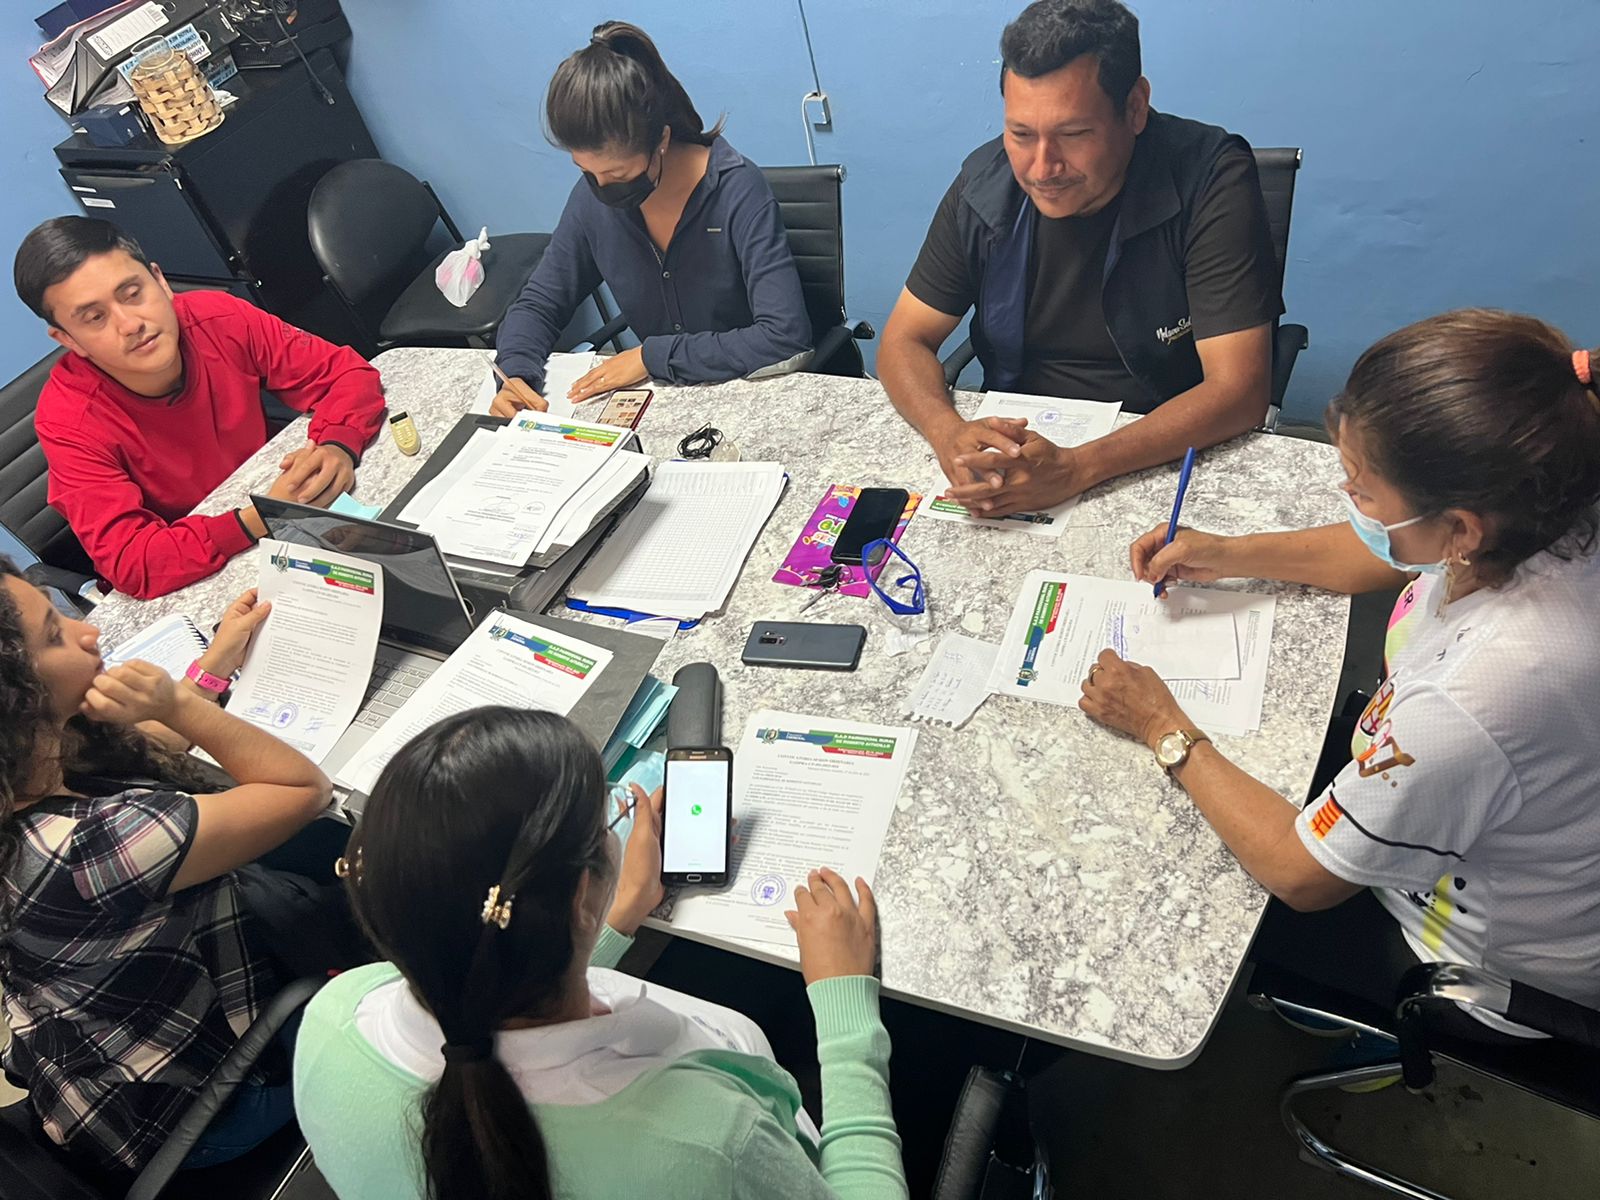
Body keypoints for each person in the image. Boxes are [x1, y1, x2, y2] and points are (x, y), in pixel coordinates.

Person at [1078, 310, 1600, 1037]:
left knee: (1155, 900)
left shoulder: (1477, 693)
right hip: (1499, 824)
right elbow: (1386, 552)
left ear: (1461, 527)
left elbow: (1301, 875)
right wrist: (1225, 553)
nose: (1347, 496)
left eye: (1362, 489)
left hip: (1465, 962)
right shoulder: (1551, 499)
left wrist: (1161, 725)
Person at [294, 706, 908, 1200]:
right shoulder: (710, 1145)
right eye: (606, 823)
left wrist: (612, 917)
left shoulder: (334, 1015)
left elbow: (485, 978)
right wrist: (844, 1005)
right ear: (581, 891)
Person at [879, 0, 1282, 519]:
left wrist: (1077, 468)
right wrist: (948, 433)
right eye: (1021, 134)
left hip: (1160, 447)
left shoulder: (1210, 179)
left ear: (1135, 108)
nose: (1042, 167)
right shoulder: (984, 188)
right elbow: (904, 340)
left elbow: (1239, 390)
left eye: (1073, 135)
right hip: (1020, 447)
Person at [0, 560, 335, 1172]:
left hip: (93, 1078)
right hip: (200, 1113)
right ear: (16, 701)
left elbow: (141, 744)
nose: (87, 632)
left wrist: (211, 669)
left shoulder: (21, 772)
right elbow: (304, 790)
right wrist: (181, 703)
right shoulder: (89, 847)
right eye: (54, 635)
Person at [13, 216, 387, 600]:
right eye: (95, 318)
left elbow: (347, 375)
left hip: (279, 506)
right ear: (68, 339)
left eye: (132, 293)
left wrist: (337, 444)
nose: (129, 324)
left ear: (160, 281)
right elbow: (134, 562)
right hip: (198, 573)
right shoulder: (68, 422)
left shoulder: (219, 317)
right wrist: (261, 517)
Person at [490, 21, 812, 416]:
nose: (601, 187)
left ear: (661, 140)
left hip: (751, 397)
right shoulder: (591, 201)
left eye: (618, 173)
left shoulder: (738, 191)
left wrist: (651, 356)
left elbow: (784, 336)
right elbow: (540, 302)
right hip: (664, 405)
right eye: (586, 171)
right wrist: (516, 373)